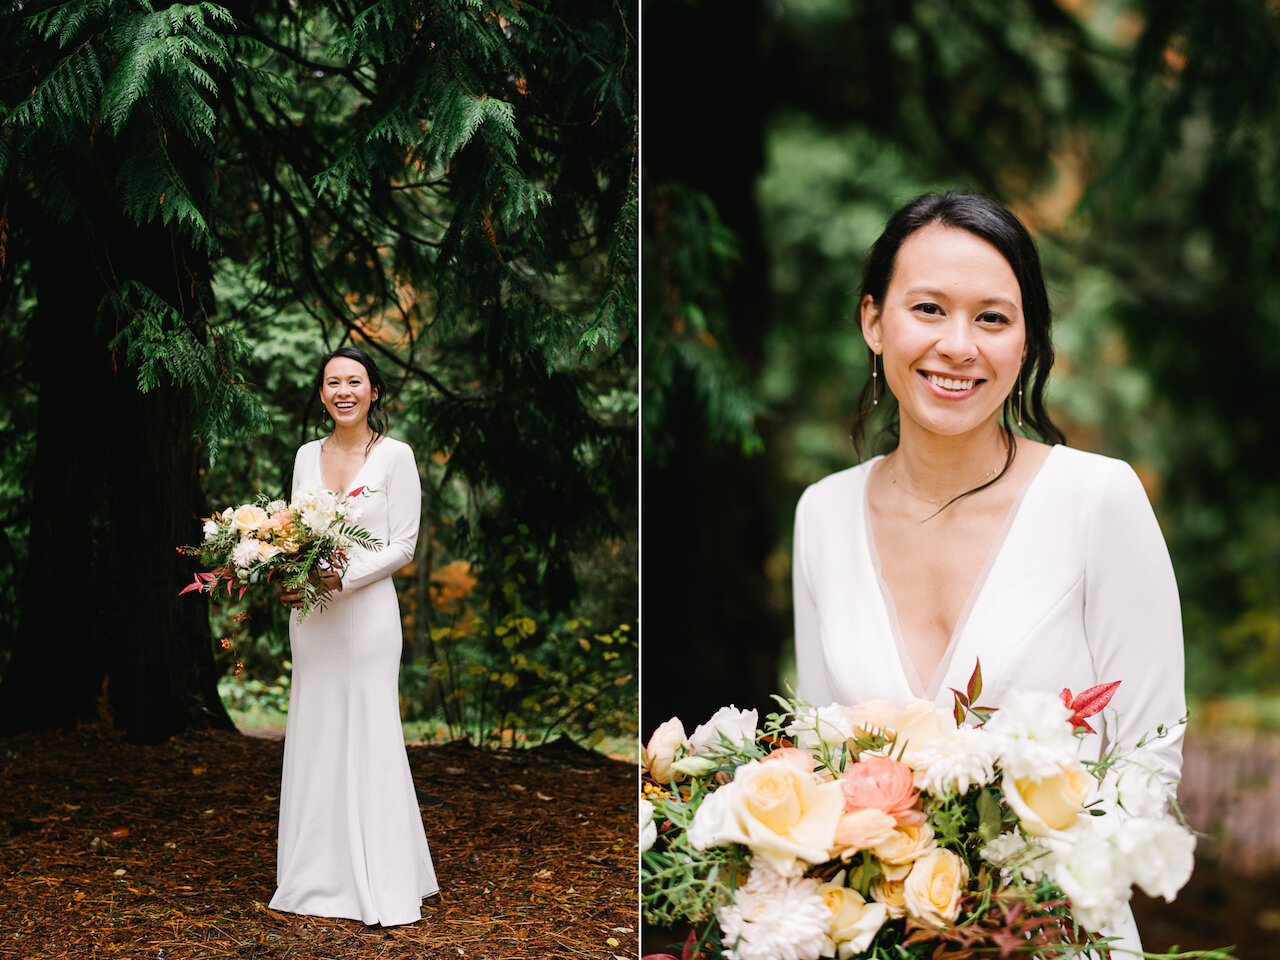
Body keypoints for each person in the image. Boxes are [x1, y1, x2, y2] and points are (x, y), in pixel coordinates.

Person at [791, 192, 1185, 954]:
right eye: (929, 309)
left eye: (993, 318)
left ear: (1028, 339)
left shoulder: (1098, 499)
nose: (959, 345)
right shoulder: (822, 514)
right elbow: (819, 763)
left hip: (1055, 937)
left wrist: (1015, 908)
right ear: (874, 322)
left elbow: (1149, 757)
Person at [271, 345, 438, 925]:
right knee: (316, 731)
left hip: (367, 619)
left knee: (369, 731)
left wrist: (340, 579)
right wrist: (289, 575)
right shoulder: (303, 456)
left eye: (355, 382)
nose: (344, 391)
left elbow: (403, 546)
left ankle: (382, 874)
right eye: (333, 382)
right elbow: (293, 532)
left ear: (373, 393)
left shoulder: (396, 457)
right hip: (311, 620)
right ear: (321, 394)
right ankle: (315, 873)